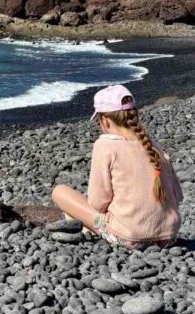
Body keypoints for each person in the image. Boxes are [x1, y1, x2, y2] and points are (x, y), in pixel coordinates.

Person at [52, 84, 182, 249]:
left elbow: (97, 203)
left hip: (128, 237)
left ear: (105, 121)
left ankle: (83, 227)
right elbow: (177, 196)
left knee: (60, 192)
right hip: (169, 237)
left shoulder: (105, 145)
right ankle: (83, 227)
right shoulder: (153, 144)